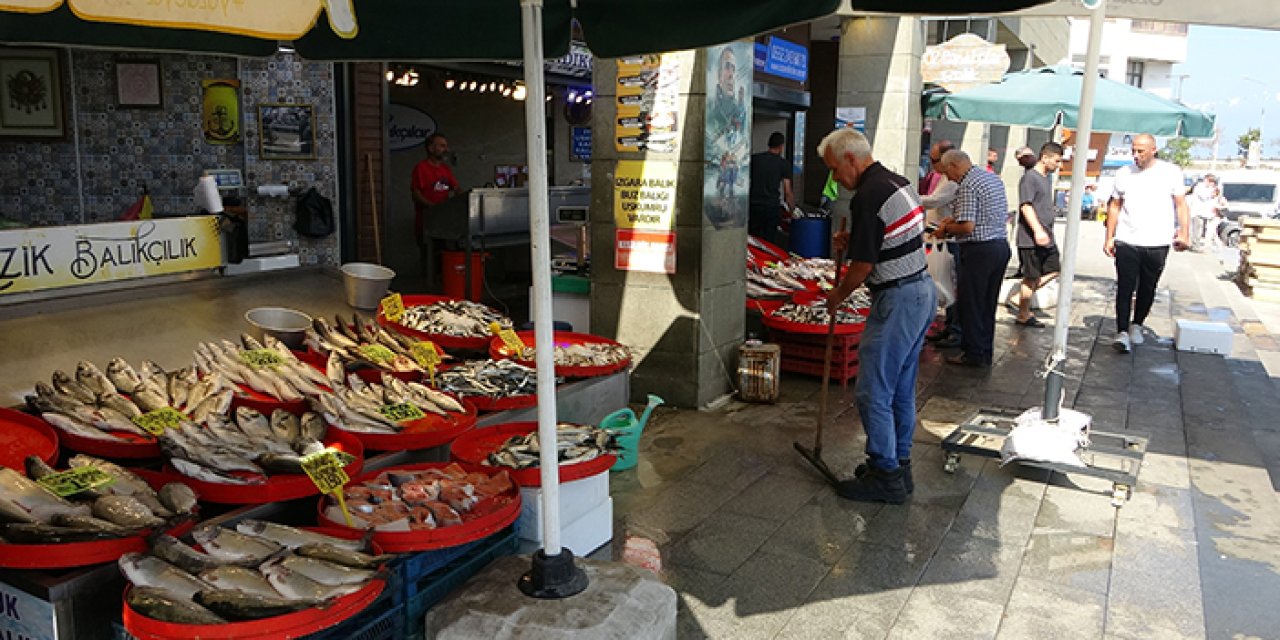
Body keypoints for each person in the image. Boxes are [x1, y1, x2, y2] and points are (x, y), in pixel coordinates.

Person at [819, 127, 935, 504]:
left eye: (835, 169)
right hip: (920, 292)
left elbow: (863, 266)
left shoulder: (868, 196)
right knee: (899, 388)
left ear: (851, 159)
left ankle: (886, 474)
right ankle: (899, 466)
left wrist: (837, 295)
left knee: (873, 391)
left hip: (898, 299)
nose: (835, 179)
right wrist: (853, 242)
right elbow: (890, 239)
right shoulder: (897, 183)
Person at [1104, 133, 1190, 353]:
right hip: (1127, 238)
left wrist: (1184, 233)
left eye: (1140, 151)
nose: (1136, 155)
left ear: (1153, 150)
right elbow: (1114, 205)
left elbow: (1181, 204)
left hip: (1157, 240)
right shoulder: (1124, 173)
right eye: (1133, 150)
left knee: (1148, 287)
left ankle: (1137, 324)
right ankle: (1122, 331)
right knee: (1125, 286)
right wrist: (1109, 236)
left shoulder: (1170, 172)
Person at [935, 149, 1012, 367]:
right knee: (987, 304)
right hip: (999, 246)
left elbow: (967, 226)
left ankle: (974, 353)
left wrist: (946, 229)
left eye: (946, 172)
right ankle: (984, 350)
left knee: (972, 303)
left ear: (953, 166)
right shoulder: (991, 178)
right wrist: (953, 220)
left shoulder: (967, 185)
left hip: (979, 251)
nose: (948, 178)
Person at [1012, 142, 1063, 328]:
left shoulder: (1045, 178)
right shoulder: (1030, 178)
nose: (1059, 165)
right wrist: (1037, 230)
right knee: (1031, 276)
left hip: (1046, 236)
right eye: (1056, 161)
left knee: (1054, 269)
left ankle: (1021, 298)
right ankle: (1023, 313)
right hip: (1031, 238)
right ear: (1045, 157)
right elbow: (1026, 206)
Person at [919, 140, 962, 348]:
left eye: (934, 160)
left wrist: (909, 197)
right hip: (938, 235)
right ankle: (949, 326)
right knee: (944, 284)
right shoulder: (944, 177)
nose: (932, 164)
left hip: (949, 240)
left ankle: (955, 330)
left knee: (950, 286)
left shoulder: (953, 181)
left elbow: (935, 201)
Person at [410, 133, 460, 243]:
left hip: (443, 225)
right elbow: (416, 194)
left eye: (446, 146)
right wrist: (434, 208)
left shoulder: (445, 169)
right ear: (431, 148)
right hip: (426, 225)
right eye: (442, 146)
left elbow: (456, 188)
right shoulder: (421, 168)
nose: (446, 149)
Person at [748, 131, 794, 246]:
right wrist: (792, 210)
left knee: (753, 239)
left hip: (753, 206)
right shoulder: (783, 164)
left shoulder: (754, 159)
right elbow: (787, 191)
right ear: (781, 146)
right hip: (771, 207)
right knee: (769, 242)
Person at [1188, 174, 1220, 250]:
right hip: (1197, 212)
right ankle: (1195, 246)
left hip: (1204, 213)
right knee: (1197, 229)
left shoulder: (1210, 188)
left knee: (1201, 229)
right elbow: (1204, 196)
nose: (1212, 184)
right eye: (1211, 182)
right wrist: (1212, 194)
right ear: (1207, 180)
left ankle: (1197, 244)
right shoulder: (1199, 187)